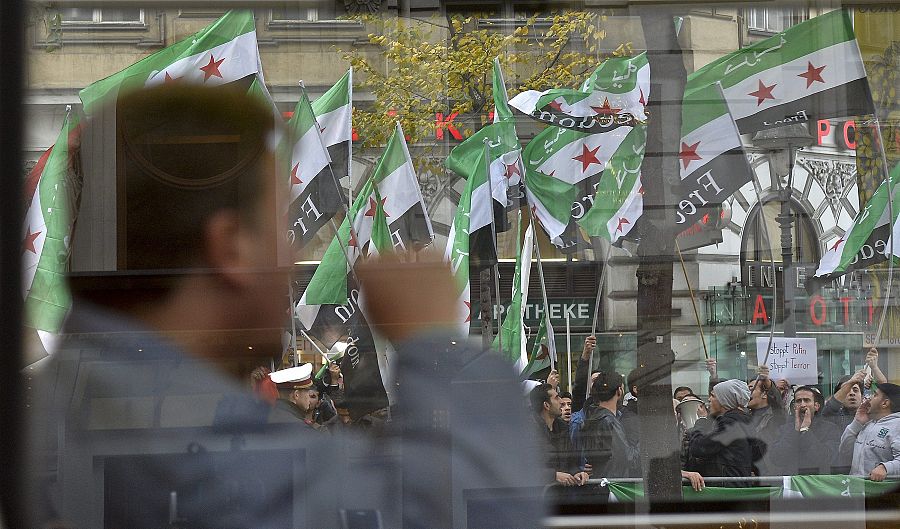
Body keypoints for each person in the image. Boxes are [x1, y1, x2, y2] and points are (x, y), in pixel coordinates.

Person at [24, 86, 317, 529]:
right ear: (232, 247)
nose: (292, 259)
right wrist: (426, 345)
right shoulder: (271, 459)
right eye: (280, 227)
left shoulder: (39, 421)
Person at [685, 379, 763, 487]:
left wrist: (702, 420)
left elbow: (698, 448)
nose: (709, 399)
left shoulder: (730, 424)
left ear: (723, 400)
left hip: (726, 491)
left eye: (713, 396)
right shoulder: (741, 422)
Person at [578, 371, 640, 479]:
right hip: (613, 487)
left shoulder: (590, 418)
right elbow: (629, 459)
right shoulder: (609, 421)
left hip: (601, 484)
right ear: (619, 391)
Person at [770, 385, 841, 475]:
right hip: (793, 484)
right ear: (794, 406)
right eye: (798, 401)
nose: (802, 405)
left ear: (816, 406)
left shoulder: (830, 429)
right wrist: (794, 432)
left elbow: (826, 458)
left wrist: (805, 431)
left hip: (818, 483)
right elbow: (776, 458)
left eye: (807, 400)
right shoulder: (784, 429)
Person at [529, 383, 589, 488]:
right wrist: (553, 475)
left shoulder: (563, 427)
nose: (561, 402)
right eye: (557, 398)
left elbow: (571, 461)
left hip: (561, 495)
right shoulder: (529, 430)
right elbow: (522, 469)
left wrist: (577, 473)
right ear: (546, 405)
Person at [838, 383, 900, 481]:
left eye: (875, 395)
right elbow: (844, 452)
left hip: (883, 492)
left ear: (885, 403)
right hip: (856, 488)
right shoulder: (867, 423)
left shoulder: (897, 425)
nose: (869, 398)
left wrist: (885, 468)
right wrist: (856, 423)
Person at [747, 369, 786, 476]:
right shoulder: (744, 417)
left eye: (751, 388)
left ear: (764, 394)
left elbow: (778, 404)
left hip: (770, 475)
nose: (747, 392)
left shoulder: (776, 417)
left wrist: (768, 383)